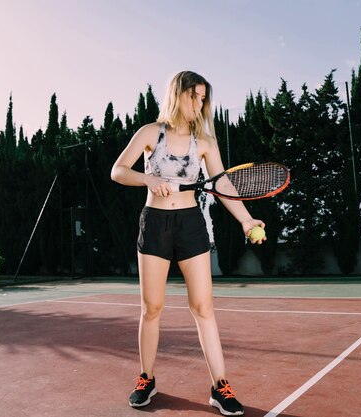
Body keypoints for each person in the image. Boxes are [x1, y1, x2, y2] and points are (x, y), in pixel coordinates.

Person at [110, 70, 266, 416]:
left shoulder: (206, 142)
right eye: (195, 95)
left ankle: (220, 386)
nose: (200, 102)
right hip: (155, 225)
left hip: (191, 225)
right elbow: (118, 171)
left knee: (203, 307)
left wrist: (246, 220)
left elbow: (223, 185)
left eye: (203, 98)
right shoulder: (150, 133)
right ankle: (146, 378)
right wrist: (148, 179)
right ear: (177, 94)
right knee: (151, 309)